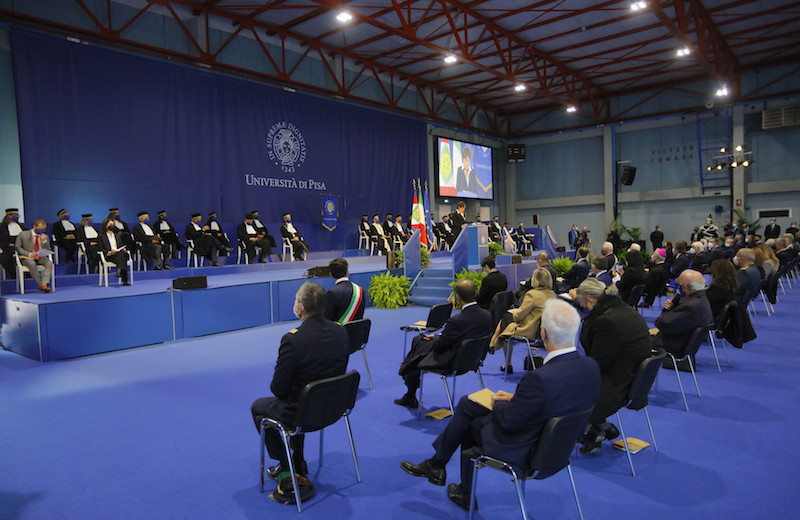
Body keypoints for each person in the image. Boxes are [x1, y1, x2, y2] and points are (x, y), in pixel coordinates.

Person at [399, 299, 600, 511]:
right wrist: (516, 399)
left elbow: (508, 423)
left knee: (472, 421)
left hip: (528, 450)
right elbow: (560, 400)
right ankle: (438, 467)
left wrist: (496, 404)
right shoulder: (591, 367)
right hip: (560, 448)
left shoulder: (539, 379)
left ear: (543, 333)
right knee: (469, 404)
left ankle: (455, 482)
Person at [250, 282, 350, 487]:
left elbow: (277, 389)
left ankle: (285, 464)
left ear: (301, 307)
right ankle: (299, 460)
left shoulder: (293, 340)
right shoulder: (341, 332)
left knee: (259, 407)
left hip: (302, 415)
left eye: (296, 300)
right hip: (335, 409)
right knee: (301, 397)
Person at [574, 279, 651, 454]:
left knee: (563, 386)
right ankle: (601, 425)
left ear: (591, 301)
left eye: (583, 305)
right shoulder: (626, 311)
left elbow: (596, 363)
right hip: (632, 378)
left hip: (616, 385)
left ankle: (592, 432)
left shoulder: (607, 321)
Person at [394, 279, 492, 408]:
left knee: (418, 343)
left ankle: (410, 388)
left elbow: (440, 347)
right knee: (421, 343)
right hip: (475, 359)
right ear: (475, 293)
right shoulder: (487, 315)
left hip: (452, 362)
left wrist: (436, 339)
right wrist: (437, 337)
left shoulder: (456, 320)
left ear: (457, 296)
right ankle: (408, 374)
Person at [490, 268, 556, 374]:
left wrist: (513, 312)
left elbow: (520, 315)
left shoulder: (532, 294)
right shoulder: (552, 294)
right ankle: (494, 343)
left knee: (506, 321)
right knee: (507, 318)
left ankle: (502, 356)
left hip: (529, 330)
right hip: (542, 330)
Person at [651, 270, 713, 356]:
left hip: (673, 345)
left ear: (684, 288)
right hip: (683, 341)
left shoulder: (690, 306)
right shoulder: (702, 299)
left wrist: (667, 310)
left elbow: (661, 324)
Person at [14, 219, 54, 293]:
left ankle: (44, 283)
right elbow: (17, 247)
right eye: (40, 229)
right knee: (32, 263)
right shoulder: (23, 234)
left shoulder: (45, 237)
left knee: (49, 263)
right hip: (27, 257)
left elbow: (48, 249)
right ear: (34, 227)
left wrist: (44, 241)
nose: (42, 231)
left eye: (43, 229)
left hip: (40, 257)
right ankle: (42, 285)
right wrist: (29, 254)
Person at [324, 257, 365, 324]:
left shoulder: (332, 293)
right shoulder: (361, 291)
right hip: (358, 333)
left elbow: (327, 320)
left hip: (339, 333)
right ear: (347, 272)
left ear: (330, 274)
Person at [98, 217, 131, 285]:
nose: (112, 226)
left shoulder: (117, 236)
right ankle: (124, 280)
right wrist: (109, 252)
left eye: (113, 224)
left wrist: (123, 249)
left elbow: (120, 245)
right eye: (110, 224)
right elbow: (100, 248)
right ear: (106, 225)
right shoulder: (101, 236)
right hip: (110, 255)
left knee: (121, 255)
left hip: (118, 254)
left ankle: (119, 270)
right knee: (122, 258)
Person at [1, 208, 27, 278]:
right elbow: (2, 240)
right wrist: (8, 244)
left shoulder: (21, 226)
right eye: (15, 215)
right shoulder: (2, 227)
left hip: (22, 246)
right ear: (9, 216)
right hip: (10, 247)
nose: (17, 216)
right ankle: (14, 275)